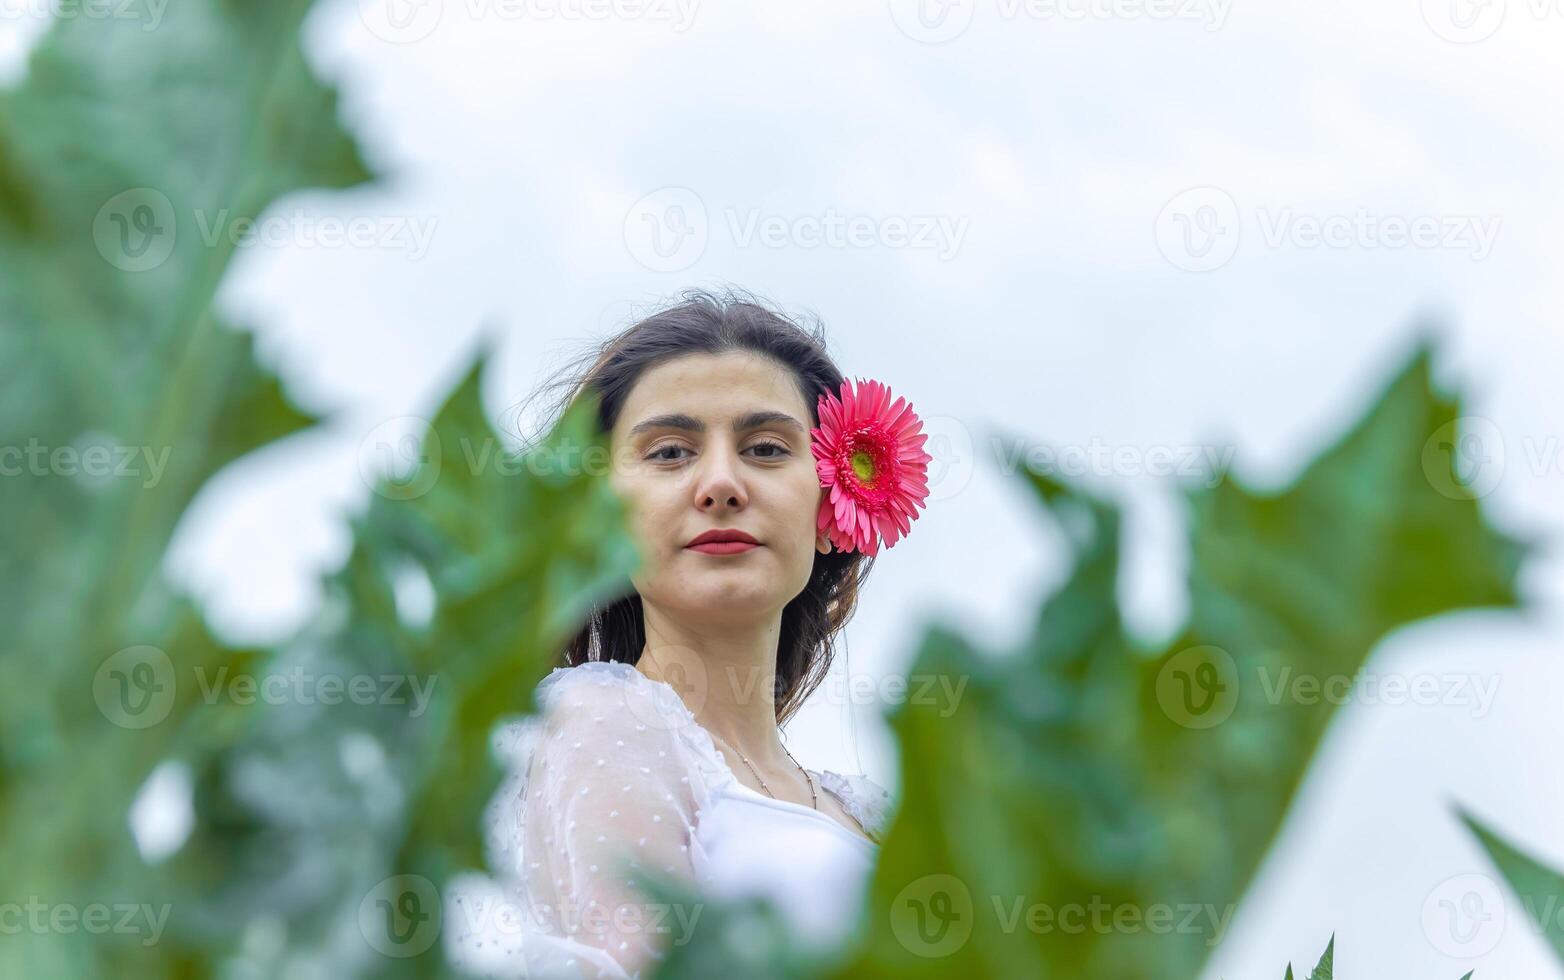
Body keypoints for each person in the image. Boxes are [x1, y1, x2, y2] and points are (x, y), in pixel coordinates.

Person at [479, 288, 929, 978]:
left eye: (767, 448)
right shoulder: (600, 719)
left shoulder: (868, 810)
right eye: (668, 453)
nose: (720, 484)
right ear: (600, 510)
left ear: (834, 495)